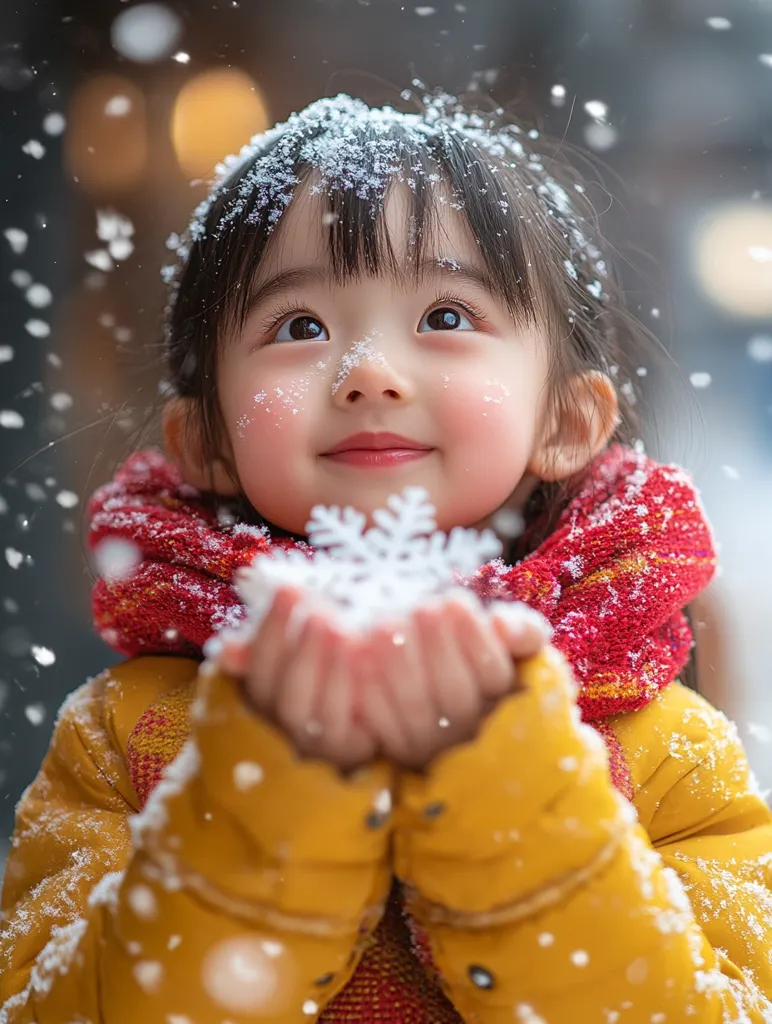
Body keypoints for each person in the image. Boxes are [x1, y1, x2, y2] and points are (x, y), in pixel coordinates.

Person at [1, 93, 770, 1024]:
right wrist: (271, 775)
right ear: (204, 438)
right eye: (299, 328)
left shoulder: (666, 750)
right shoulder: (125, 738)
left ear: (566, 421)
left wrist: (506, 780)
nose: (369, 369)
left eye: (446, 314)